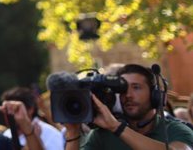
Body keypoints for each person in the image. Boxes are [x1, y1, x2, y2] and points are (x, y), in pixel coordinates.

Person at [63, 64, 193, 150]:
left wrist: (117, 128)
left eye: (136, 87)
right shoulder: (103, 135)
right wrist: (73, 132)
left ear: (155, 95)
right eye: (123, 89)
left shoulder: (176, 130)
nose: (128, 95)